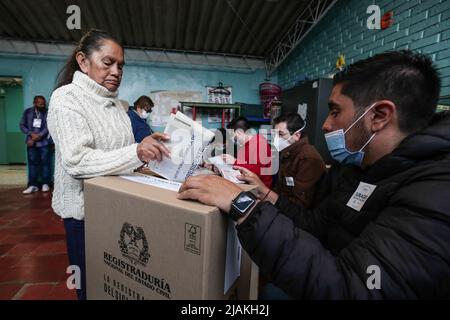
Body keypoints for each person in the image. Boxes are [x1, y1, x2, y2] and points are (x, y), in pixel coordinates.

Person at [177, 50, 450, 299]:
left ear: (379, 115)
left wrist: (243, 206)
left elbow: (351, 289)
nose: (326, 124)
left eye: (335, 111)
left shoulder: (435, 192)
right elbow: (315, 224)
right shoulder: (355, 169)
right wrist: (265, 195)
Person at [47, 29, 170, 300]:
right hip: (84, 215)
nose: (116, 71)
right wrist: (136, 152)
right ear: (83, 61)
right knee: (90, 288)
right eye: (108, 62)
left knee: (115, 286)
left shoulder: (118, 106)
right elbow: (77, 161)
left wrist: (151, 164)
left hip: (117, 209)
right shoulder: (66, 99)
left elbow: (121, 159)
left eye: (121, 65)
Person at [271, 113, 326, 207]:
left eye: (280, 134)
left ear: (296, 135)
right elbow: (280, 187)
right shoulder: (287, 153)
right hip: (284, 206)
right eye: (275, 135)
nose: (276, 139)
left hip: (300, 214)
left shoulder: (308, 158)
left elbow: (300, 203)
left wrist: (272, 201)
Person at [224, 116, 273, 188]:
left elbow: (259, 171)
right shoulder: (243, 146)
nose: (233, 140)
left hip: (260, 187)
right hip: (245, 182)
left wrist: (235, 161)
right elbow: (244, 164)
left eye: (233, 136)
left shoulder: (260, 143)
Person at [20, 95, 53, 194]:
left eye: (43, 104)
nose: (42, 105)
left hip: (44, 143)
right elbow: (22, 125)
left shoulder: (48, 112)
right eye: (40, 104)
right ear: (34, 103)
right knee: (32, 165)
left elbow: (49, 126)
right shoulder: (27, 112)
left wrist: (39, 135)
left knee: (46, 164)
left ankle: (45, 184)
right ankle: (32, 185)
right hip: (31, 144)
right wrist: (31, 135)